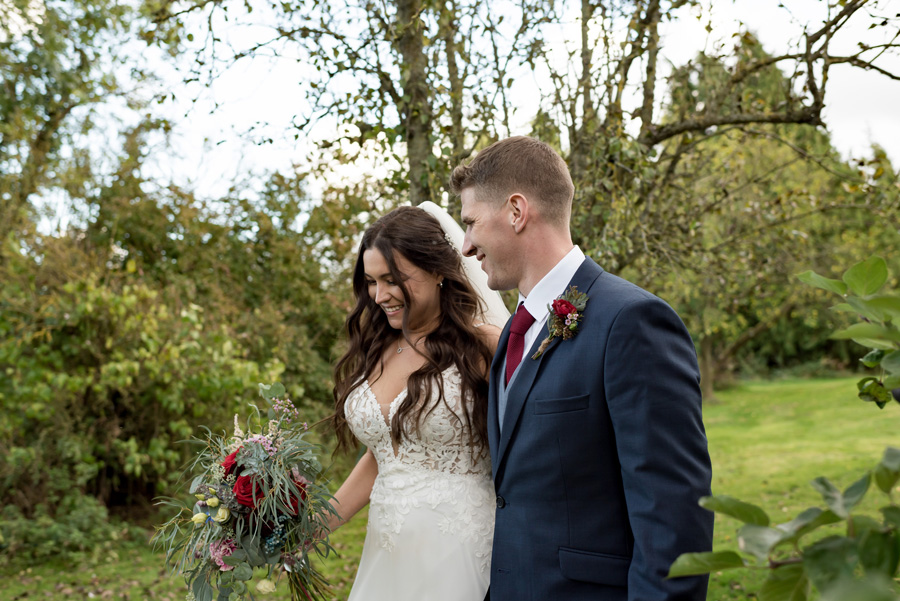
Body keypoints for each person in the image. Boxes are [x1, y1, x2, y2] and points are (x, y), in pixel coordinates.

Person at [450, 136, 714, 601]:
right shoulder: (515, 328)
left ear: (516, 211)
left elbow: (673, 518)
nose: (467, 246)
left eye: (470, 223)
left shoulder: (631, 321)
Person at [327, 205, 507, 601]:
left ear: (438, 270)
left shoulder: (485, 346)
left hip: (462, 550)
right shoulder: (378, 350)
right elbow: (384, 456)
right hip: (387, 553)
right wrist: (312, 526)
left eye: (393, 280)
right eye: (372, 282)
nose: (380, 296)